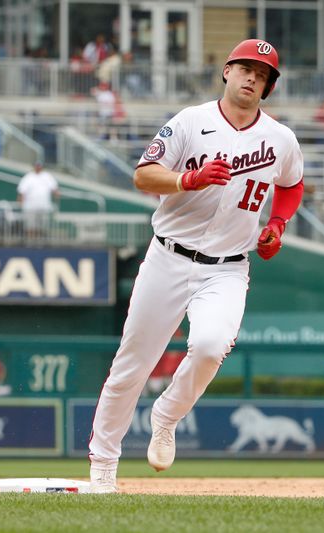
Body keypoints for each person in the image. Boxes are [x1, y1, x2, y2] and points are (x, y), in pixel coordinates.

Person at [87, 39, 304, 493]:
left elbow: (292, 184)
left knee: (209, 346)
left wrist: (278, 225)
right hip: (168, 256)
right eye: (245, 68)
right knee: (131, 365)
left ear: (268, 86)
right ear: (226, 71)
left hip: (227, 267)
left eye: (262, 75)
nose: (251, 78)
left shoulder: (280, 138)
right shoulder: (191, 121)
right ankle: (103, 466)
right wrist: (188, 178)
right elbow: (144, 175)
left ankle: (166, 416)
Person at [16, 161, 59, 239]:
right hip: (30, 206)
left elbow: (54, 189)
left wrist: (56, 195)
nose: (38, 167)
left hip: (43, 205)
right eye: (36, 166)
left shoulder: (47, 176)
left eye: (39, 166)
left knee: (42, 225)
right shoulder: (28, 177)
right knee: (30, 225)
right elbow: (22, 191)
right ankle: (30, 241)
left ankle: (40, 241)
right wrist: (21, 201)